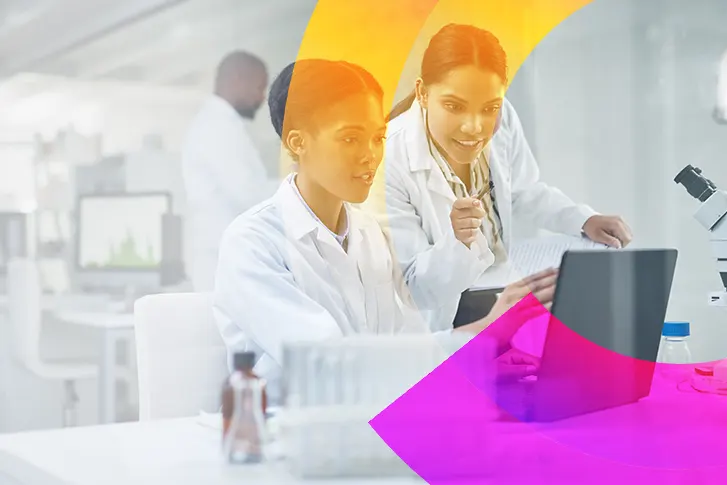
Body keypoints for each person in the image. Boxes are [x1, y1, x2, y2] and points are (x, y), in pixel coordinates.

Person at [213, 59, 559, 403]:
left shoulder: (368, 234)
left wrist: (492, 342)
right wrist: (483, 331)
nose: (370, 155)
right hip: (289, 438)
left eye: (377, 137)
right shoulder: (253, 243)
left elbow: (405, 349)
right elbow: (329, 363)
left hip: (366, 425)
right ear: (297, 142)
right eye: (350, 138)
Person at [368, 24, 633, 331]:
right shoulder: (388, 159)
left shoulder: (503, 114)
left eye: (489, 107)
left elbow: (523, 190)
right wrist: (460, 242)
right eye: (454, 106)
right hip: (442, 318)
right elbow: (414, 287)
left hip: (497, 289)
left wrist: (582, 219)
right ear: (423, 94)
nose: (474, 126)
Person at [182, 50, 280, 292]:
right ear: (237, 79)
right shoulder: (216, 128)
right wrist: (304, 183)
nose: (261, 98)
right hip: (220, 262)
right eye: (259, 87)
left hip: (228, 259)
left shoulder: (223, 126)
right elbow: (248, 193)